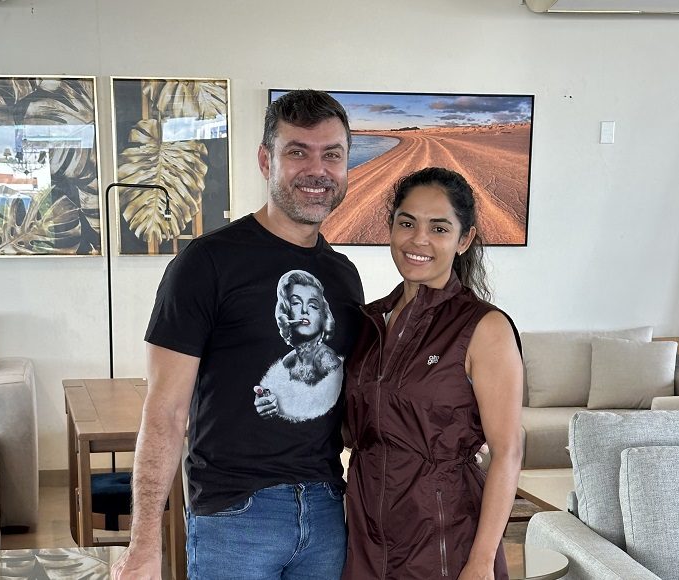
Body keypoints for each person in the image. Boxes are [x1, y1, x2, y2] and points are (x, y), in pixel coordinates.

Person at [111, 90, 364, 580]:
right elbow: (165, 412)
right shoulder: (206, 263)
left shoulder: (343, 276)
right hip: (236, 514)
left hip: (327, 509)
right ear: (266, 160)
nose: (317, 170)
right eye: (298, 152)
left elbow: (347, 402)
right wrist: (143, 544)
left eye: (332, 155)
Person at [342, 167, 523, 580]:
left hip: (444, 541)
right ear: (391, 228)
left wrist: (481, 562)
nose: (418, 240)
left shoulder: (484, 327)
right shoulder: (368, 324)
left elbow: (507, 452)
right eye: (407, 223)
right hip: (365, 539)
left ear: (464, 240)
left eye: (438, 228)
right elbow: (353, 431)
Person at [254, 269, 344, 422]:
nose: (304, 310)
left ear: (323, 316)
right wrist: (266, 403)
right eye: (296, 303)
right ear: (286, 312)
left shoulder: (326, 359)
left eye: (313, 305)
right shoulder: (288, 362)